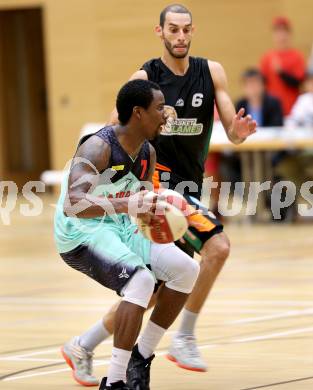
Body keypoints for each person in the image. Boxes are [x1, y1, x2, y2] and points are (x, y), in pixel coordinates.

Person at [62, 4, 257, 385]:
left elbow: (232, 132)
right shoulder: (145, 76)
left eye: (186, 30)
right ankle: (182, 338)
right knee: (218, 248)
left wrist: (240, 131)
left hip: (190, 186)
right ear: (160, 32)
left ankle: (83, 344)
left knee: (153, 289)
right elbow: (114, 131)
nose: (180, 36)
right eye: (173, 29)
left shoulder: (211, 71)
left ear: (192, 31)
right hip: (157, 189)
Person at [55, 79, 200, 390]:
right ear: (138, 113)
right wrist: (128, 204)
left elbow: (141, 207)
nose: (166, 115)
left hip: (119, 226)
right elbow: (73, 204)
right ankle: (116, 380)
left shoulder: (147, 150)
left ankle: (141, 357)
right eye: (159, 108)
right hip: (81, 234)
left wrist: (166, 210)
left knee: (187, 269)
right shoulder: (98, 147)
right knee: (142, 281)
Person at [260, 16, 306, 116]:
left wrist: (281, 73)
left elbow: (299, 82)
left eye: (284, 31)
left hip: (293, 110)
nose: (281, 35)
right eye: (277, 31)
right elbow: (262, 85)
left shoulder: (297, 56)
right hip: (273, 111)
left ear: (289, 34)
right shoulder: (267, 57)